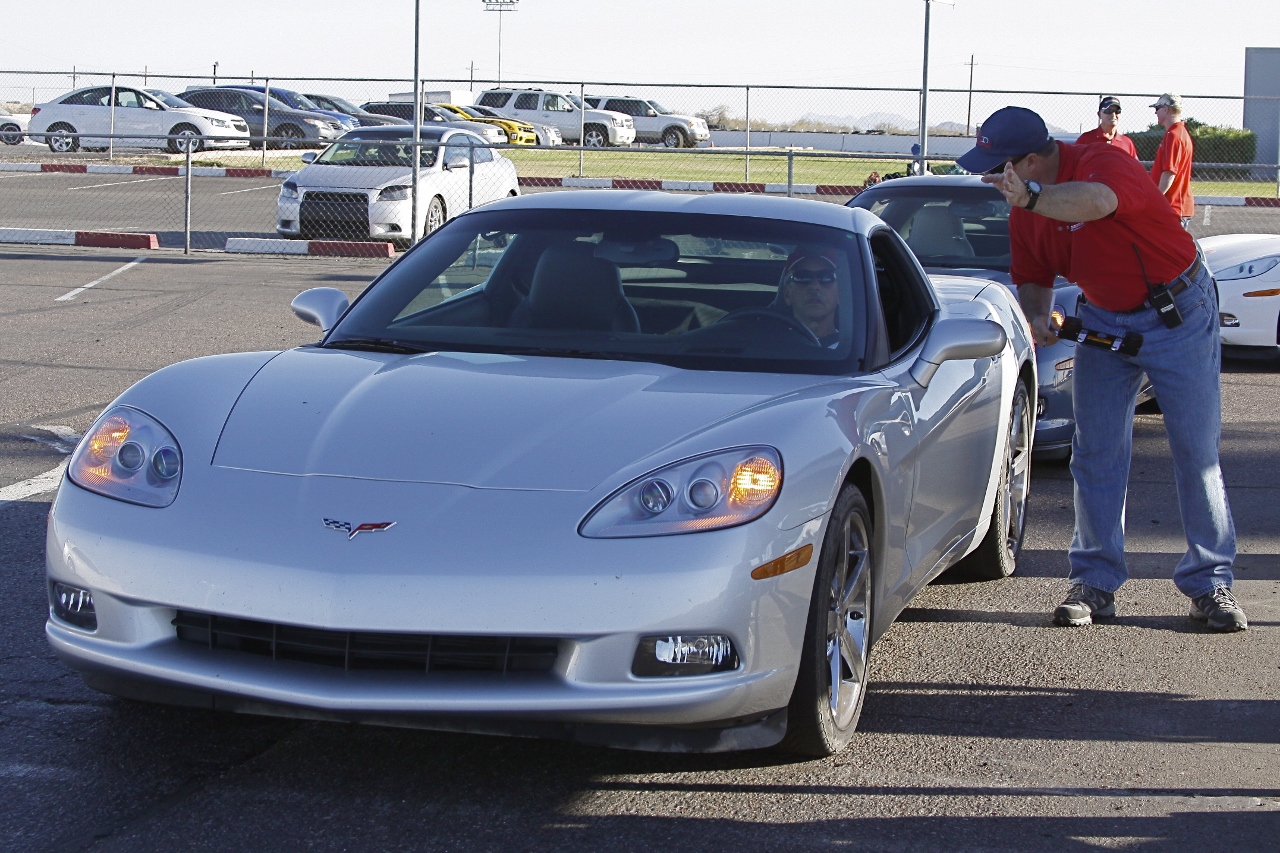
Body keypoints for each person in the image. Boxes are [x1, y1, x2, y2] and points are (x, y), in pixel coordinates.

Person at [957, 106, 1246, 633]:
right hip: (1104, 324)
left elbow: (1098, 203)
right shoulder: (1025, 212)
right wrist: (1039, 315)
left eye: (998, 166)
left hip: (1178, 313)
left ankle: (1210, 581)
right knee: (1094, 454)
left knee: (1195, 452)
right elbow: (1034, 276)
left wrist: (1034, 198)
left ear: (1028, 161)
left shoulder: (1102, 162)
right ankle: (1095, 580)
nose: (989, 177)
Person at [1150, 93, 1195, 229]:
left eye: (1157, 109)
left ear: (1166, 109)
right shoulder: (1178, 133)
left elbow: (1170, 172)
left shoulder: (1174, 135)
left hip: (1173, 207)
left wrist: (1155, 199)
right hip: (1175, 207)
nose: (1155, 113)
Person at [779, 248, 840, 347]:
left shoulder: (858, 349)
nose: (814, 286)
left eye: (826, 277)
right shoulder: (772, 345)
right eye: (802, 277)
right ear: (787, 293)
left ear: (840, 294)